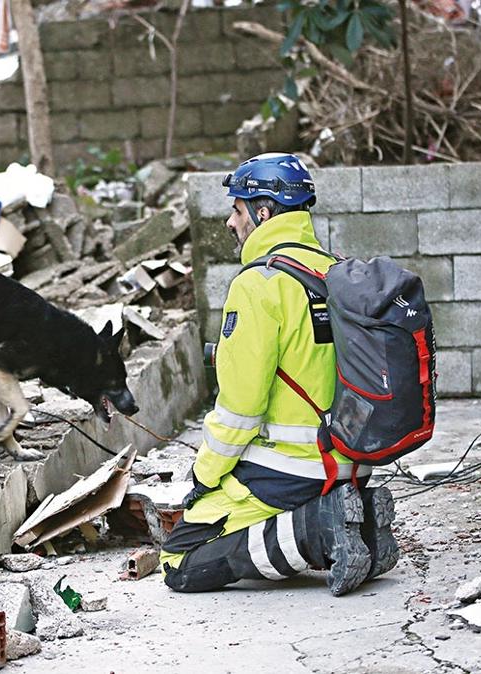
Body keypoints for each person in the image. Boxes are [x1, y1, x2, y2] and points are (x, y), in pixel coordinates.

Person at [160, 152, 398, 595]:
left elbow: (240, 409)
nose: (231, 222)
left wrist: (205, 476)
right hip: (353, 460)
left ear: (263, 212)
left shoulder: (258, 285)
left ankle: (321, 532)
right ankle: (356, 517)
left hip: (291, 468)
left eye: (237, 209)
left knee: (179, 561)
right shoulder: (335, 272)